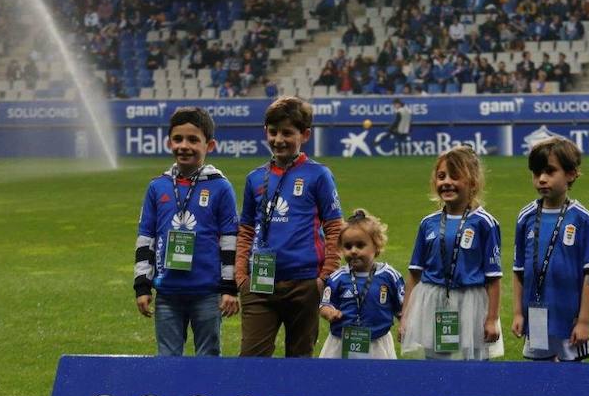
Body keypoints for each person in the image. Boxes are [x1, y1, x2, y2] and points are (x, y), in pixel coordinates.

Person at [235, 96, 343, 357]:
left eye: (287, 133)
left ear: (304, 135)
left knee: (299, 360)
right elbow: (246, 229)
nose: (278, 139)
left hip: (304, 282)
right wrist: (241, 276)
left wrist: (324, 276)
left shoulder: (318, 175)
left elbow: (334, 227)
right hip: (259, 284)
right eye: (273, 132)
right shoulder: (254, 178)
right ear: (265, 132)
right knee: (251, 358)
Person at [133, 107, 240, 356]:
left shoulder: (221, 187)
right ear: (168, 142)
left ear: (209, 145)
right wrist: (142, 285)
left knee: (208, 359)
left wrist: (228, 287)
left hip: (207, 293)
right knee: (167, 361)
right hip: (167, 294)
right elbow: (145, 238)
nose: (184, 146)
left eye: (193, 140)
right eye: (178, 139)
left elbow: (230, 240)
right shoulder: (157, 187)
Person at [399, 146, 504, 360]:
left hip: (470, 301)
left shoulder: (485, 223)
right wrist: (405, 316)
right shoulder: (428, 223)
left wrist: (492, 318)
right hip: (434, 299)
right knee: (436, 363)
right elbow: (414, 274)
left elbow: (493, 278)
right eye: (441, 176)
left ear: (473, 183)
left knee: (472, 364)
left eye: (455, 176)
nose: (446, 182)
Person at [512, 137, 589, 362]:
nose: (542, 179)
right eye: (537, 173)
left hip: (568, 318)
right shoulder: (525, 216)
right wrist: (519, 313)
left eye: (550, 171)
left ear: (570, 174)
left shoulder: (583, 219)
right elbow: (518, 270)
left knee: (572, 378)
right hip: (535, 314)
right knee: (539, 376)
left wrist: (583, 321)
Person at [319, 209, 405, 359]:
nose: (353, 251)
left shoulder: (389, 276)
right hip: (341, 343)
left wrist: (404, 324)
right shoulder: (337, 278)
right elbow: (325, 304)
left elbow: (402, 307)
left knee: (379, 380)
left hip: (378, 343)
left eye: (360, 245)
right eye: (347, 246)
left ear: (376, 246)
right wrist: (330, 313)